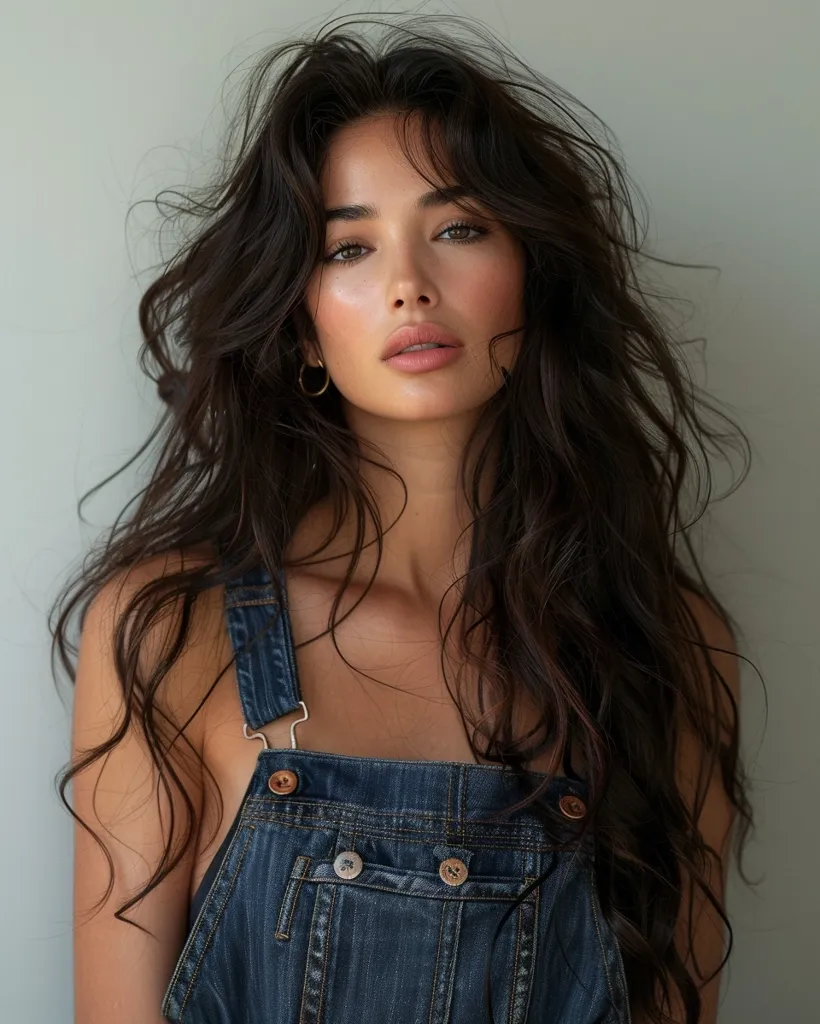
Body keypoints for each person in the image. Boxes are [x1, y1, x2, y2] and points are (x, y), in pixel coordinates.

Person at [53, 13, 754, 1024]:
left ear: (534, 278)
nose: (409, 284)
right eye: (349, 247)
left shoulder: (667, 648)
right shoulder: (170, 628)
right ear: (299, 324)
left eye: (458, 229)